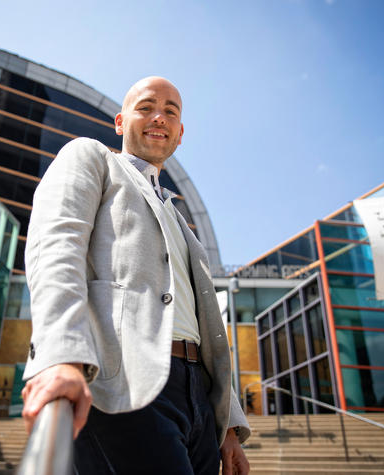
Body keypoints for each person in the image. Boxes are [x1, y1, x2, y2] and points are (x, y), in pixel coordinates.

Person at [21, 76, 250, 474]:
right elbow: (56, 245)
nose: (158, 117)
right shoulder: (91, 158)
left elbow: (204, 326)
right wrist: (61, 355)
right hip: (123, 381)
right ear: (120, 120)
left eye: (170, 112)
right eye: (146, 107)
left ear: (180, 134)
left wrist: (226, 421)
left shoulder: (180, 224)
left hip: (197, 399)